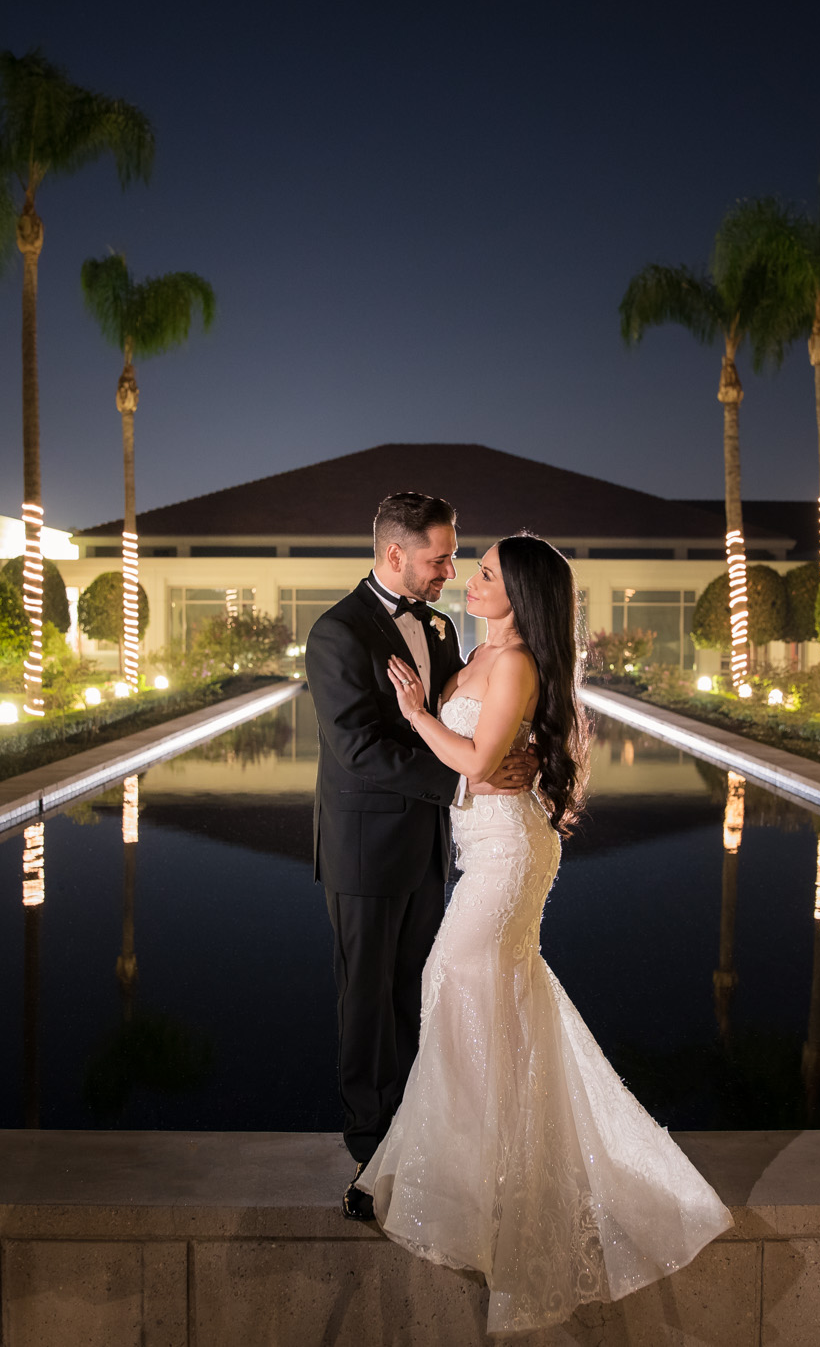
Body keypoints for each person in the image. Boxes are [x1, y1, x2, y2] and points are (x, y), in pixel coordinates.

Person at [353, 532, 732, 1336]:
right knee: (486, 999)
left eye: (485, 571)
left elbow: (476, 758)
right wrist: (448, 728)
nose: (469, 577)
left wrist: (420, 714)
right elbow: (478, 759)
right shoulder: (482, 650)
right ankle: (467, 1177)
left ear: (518, 593)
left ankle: (482, 1189)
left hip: (507, 857)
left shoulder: (517, 662)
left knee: (460, 985)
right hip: (484, 849)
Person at [304, 492, 537, 1222]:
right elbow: (358, 747)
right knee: (366, 1001)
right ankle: (370, 1151)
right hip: (365, 848)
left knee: (418, 995)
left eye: (455, 555)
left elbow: (469, 715)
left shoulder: (441, 626)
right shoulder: (337, 632)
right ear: (395, 553)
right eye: (440, 557)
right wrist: (465, 775)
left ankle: (422, 1139)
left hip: (435, 847)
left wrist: (504, 755)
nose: (451, 569)